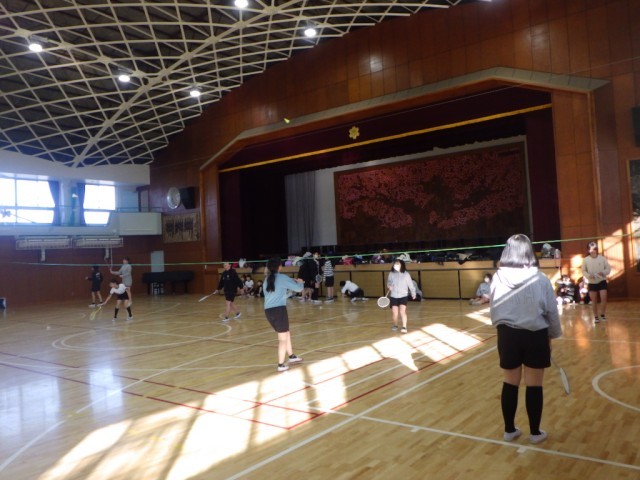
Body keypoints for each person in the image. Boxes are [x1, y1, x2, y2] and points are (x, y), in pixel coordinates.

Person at [490, 234, 562, 445]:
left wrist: (503, 327)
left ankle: (509, 430)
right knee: (534, 385)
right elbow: (552, 311)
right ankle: (535, 433)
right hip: (535, 335)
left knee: (510, 383)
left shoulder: (497, 277)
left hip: (507, 335)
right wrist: (552, 335)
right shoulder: (540, 279)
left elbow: (493, 308)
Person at [263, 257, 305, 372]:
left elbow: (274, 294)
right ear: (279, 267)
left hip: (268, 311)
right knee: (282, 339)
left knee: (286, 333)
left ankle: (291, 356)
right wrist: (300, 283)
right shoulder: (281, 277)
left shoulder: (267, 280)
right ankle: (281, 364)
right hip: (279, 310)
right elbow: (298, 289)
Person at [581, 241, 611, 323]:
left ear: (596, 249)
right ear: (588, 250)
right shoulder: (586, 260)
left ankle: (602, 315)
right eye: (590, 249)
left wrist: (603, 272)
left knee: (603, 298)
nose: (592, 251)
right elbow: (583, 271)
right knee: (594, 300)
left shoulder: (602, 258)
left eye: (594, 249)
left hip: (602, 281)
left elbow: (608, 269)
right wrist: (588, 275)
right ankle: (596, 317)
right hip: (592, 282)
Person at [386, 258, 416, 333]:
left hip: (403, 295)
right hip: (393, 296)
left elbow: (410, 285)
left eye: (397, 264)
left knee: (402, 311)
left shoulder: (406, 274)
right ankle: (395, 325)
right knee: (395, 312)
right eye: (395, 264)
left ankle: (404, 326)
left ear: (401, 265)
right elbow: (388, 282)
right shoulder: (391, 273)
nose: (396, 265)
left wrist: (413, 293)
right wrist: (389, 286)